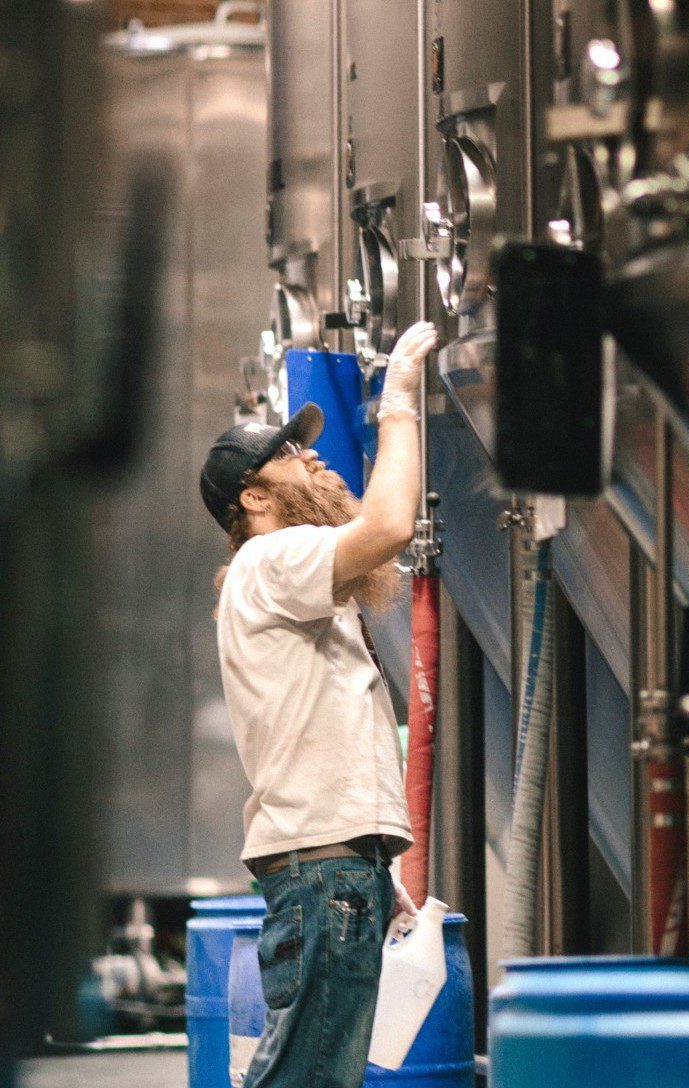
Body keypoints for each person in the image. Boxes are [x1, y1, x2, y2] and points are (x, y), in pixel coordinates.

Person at [198, 320, 438, 1088]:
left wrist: (367, 850)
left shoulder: (285, 583)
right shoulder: (268, 559)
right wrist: (397, 402)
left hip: (333, 865)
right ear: (255, 494)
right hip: (321, 875)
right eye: (289, 454)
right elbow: (391, 525)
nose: (311, 457)